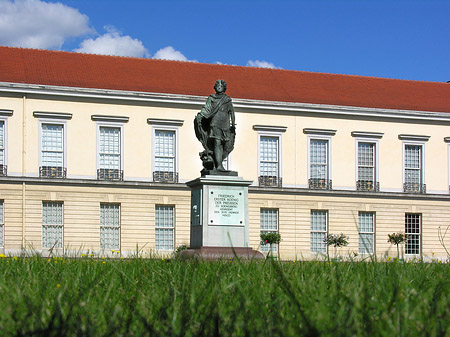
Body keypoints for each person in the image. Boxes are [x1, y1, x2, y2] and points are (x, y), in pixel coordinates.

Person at [194, 80, 236, 172]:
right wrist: (201, 115)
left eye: (221, 86)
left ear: (224, 88)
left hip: (225, 123)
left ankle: (218, 163)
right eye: (217, 85)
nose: (219, 87)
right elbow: (207, 108)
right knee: (217, 142)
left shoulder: (227, 99)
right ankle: (219, 166)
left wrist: (233, 123)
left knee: (225, 144)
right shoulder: (212, 98)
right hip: (215, 122)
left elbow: (231, 112)